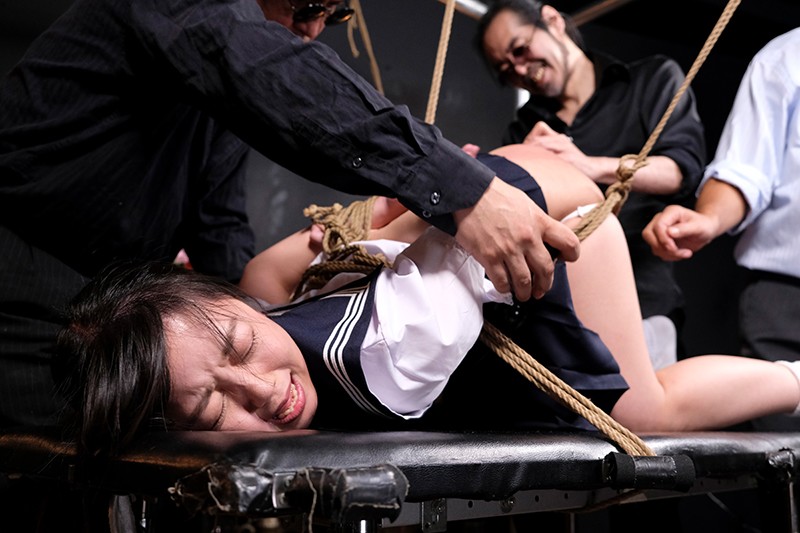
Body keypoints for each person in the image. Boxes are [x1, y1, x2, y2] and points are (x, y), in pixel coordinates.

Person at [0, 0, 580, 429]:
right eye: (304, 7)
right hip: (27, 288)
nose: (313, 31)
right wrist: (465, 190)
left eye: (332, 15)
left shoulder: (213, 105)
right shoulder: (205, 31)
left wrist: (283, 292)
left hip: (124, 307)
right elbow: (260, 65)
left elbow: (219, 231)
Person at [55, 144, 800, 459]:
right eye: (212, 407)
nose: (261, 390)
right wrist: (392, 223)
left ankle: (794, 378)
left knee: (644, 411)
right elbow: (282, 267)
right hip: (490, 221)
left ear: (232, 308)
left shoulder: (384, 354)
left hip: (546, 222)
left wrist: (414, 214)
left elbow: (448, 235)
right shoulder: (257, 303)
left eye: (241, 349)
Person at [476, 0, 707, 369]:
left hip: (644, 303)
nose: (520, 69)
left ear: (552, 21)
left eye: (520, 49)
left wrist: (587, 166)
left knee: (647, 403)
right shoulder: (524, 127)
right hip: (560, 317)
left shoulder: (649, 80)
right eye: (506, 70)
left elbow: (680, 169)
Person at [643, 28, 800, 430]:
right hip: (787, 302)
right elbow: (745, 168)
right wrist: (709, 218)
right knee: (784, 449)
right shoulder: (785, 57)